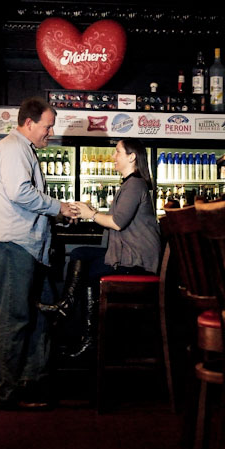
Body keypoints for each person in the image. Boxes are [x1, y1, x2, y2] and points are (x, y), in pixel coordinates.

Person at [0, 96, 79, 410]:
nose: (51, 132)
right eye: (47, 127)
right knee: (15, 318)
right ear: (29, 123)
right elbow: (20, 192)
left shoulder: (22, 150)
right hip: (13, 244)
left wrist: (56, 213)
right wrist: (59, 207)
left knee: (35, 316)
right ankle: (9, 393)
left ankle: (31, 386)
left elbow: (25, 196)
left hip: (25, 246)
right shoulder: (12, 148)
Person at [38, 138, 161, 357]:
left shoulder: (135, 184)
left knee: (87, 269)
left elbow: (117, 222)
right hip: (126, 254)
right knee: (80, 254)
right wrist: (90, 210)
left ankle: (85, 333)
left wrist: (91, 215)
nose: (113, 156)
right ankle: (69, 310)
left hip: (136, 260)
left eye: (117, 152)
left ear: (132, 157)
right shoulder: (131, 184)